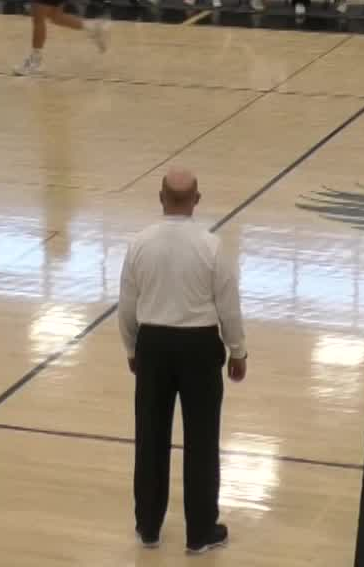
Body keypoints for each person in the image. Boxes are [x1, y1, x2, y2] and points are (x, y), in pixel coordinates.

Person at [118, 167, 247, 555]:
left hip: (153, 346)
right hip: (200, 348)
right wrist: (237, 351)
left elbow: (127, 304)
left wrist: (131, 349)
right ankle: (201, 531)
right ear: (196, 200)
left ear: (161, 198)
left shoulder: (139, 243)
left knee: (151, 437)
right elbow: (229, 305)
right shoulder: (212, 247)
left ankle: (149, 526)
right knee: (202, 441)